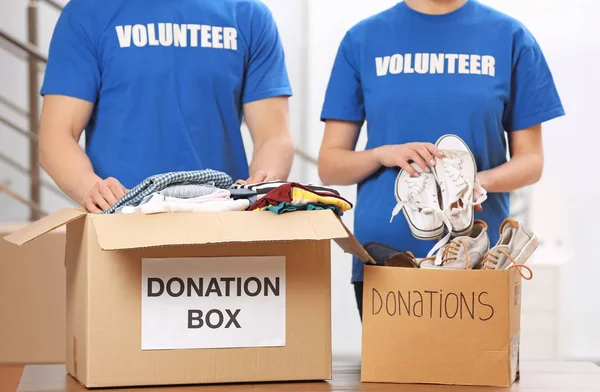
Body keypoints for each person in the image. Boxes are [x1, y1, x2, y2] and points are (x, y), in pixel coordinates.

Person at [318, 0, 564, 318]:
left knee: (474, 369)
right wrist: (382, 154)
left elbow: (531, 161)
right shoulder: (363, 40)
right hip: (387, 260)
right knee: (394, 369)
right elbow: (330, 165)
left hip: (476, 261)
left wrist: (473, 183)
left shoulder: (510, 38)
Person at [39, 0, 295, 213]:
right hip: (123, 219)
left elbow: (274, 137)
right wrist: (91, 189)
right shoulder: (88, 13)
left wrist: (262, 185)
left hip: (222, 215)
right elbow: (57, 137)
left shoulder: (248, 16)